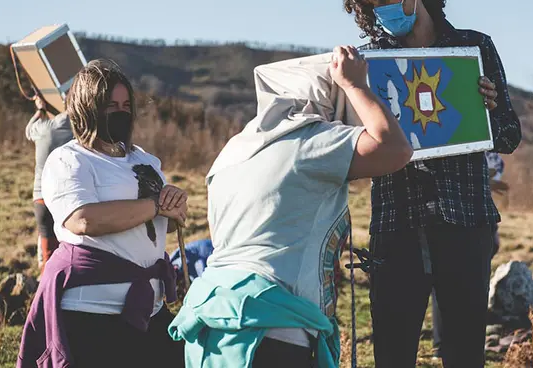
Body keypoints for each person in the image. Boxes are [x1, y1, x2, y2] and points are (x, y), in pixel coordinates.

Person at [167, 46, 412, 368]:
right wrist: (356, 86)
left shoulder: (234, 149)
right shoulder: (310, 140)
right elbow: (394, 149)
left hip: (212, 318)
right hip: (270, 325)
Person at [342, 0, 522, 367]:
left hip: (466, 222)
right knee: (392, 353)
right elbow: (355, 144)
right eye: (373, 6)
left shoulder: (473, 47)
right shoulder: (371, 61)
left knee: (462, 354)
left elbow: (510, 136)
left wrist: (490, 111)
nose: (382, 10)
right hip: (396, 224)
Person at [17, 60, 188, 368]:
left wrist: (175, 203)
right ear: (86, 109)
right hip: (92, 314)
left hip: (150, 307)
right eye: (110, 106)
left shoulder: (147, 160)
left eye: (125, 105)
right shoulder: (69, 160)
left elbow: (168, 212)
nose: (120, 112)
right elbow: (84, 219)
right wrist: (154, 206)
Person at [431, 151, 507, 359]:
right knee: (444, 287)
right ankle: (442, 344)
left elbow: (484, 191)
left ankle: (450, 345)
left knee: (465, 290)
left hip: (478, 218)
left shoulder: (494, 159)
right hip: (453, 218)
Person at [25, 95, 73, 276]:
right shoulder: (83, 132)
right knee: (67, 252)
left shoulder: (46, 129)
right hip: (67, 201)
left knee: (48, 253)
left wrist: (40, 110)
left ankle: (44, 291)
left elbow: (29, 130)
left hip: (42, 198)